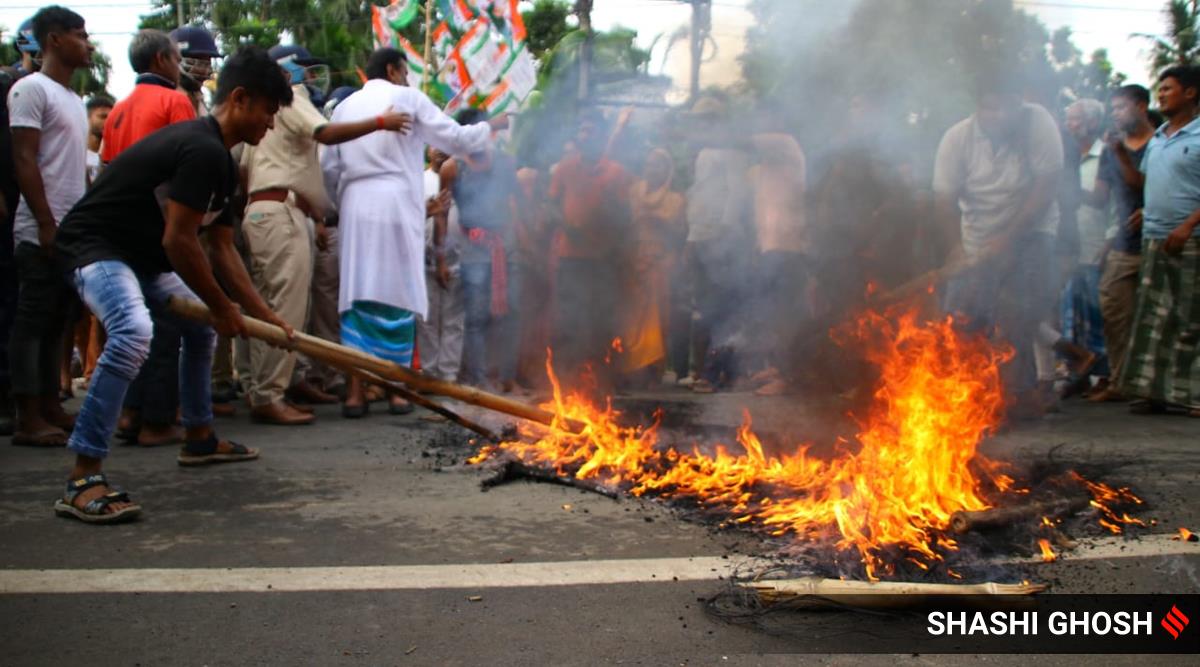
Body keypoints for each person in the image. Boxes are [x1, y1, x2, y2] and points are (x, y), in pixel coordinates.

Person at [51, 46, 295, 524]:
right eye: (268, 111)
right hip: (96, 248)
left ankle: (200, 437)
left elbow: (222, 249)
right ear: (241, 99)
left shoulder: (222, 165)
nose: (270, 124)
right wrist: (224, 307)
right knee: (133, 331)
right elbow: (181, 241)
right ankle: (82, 477)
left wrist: (263, 315)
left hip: (142, 257)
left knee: (202, 329)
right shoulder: (200, 149)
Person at [323, 47, 502, 417]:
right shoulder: (406, 97)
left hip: (355, 204)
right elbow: (457, 139)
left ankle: (356, 393)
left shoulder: (344, 108)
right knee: (398, 292)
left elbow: (328, 167)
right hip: (395, 202)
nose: (407, 79)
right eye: (405, 72)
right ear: (392, 69)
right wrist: (492, 126)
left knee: (357, 293)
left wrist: (343, 204)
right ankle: (396, 391)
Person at [239, 44, 412, 425]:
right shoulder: (289, 96)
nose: (311, 77)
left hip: (263, 209)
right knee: (283, 308)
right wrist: (380, 123)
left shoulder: (264, 110)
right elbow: (326, 133)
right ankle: (269, 396)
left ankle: (261, 387)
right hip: (281, 210)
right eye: (304, 69)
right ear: (286, 71)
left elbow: (243, 166)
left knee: (262, 305)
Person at [933, 69, 1064, 417]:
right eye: (991, 108)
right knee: (960, 317)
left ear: (1018, 103)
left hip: (1032, 232)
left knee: (1015, 314)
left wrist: (1007, 240)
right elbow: (944, 200)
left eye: (1007, 107)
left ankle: (1011, 400)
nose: (1000, 116)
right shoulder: (957, 138)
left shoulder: (1038, 124)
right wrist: (957, 248)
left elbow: (1045, 189)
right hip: (976, 236)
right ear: (978, 107)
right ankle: (961, 400)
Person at [100, 28, 198, 447]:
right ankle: (158, 420)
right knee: (169, 320)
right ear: (161, 60)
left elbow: (105, 170)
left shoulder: (119, 109)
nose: (180, 67)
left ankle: (131, 412)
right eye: (177, 59)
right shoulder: (174, 100)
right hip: (160, 225)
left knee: (138, 321)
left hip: (121, 227)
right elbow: (191, 166)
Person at [7, 5, 93, 447]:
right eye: (80, 35)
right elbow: (24, 158)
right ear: (55, 39)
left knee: (60, 318)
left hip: (69, 229)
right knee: (33, 319)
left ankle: (49, 406)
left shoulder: (74, 100)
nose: (88, 43)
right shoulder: (30, 89)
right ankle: (26, 417)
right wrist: (44, 221)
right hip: (41, 227)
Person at [1120, 65, 1200, 418]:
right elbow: (1144, 184)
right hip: (1154, 237)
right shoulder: (1159, 137)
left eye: (1169, 88)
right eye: (1161, 89)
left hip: (1191, 239)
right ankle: (1153, 392)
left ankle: (1193, 394)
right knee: (1153, 317)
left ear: (1191, 93)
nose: (1162, 93)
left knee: (1190, 317)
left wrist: (1186, 227)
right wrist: (1144, 210)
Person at [547, 110, 634, 395]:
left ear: (601, 136)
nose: (584, 136)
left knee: (600, 322)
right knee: (570, 320)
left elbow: (625, 216)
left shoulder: (617, 172)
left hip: (603, 261)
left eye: (591, 130)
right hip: (570, 258)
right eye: (582, 130)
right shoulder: (565, 167)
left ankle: (600, 383)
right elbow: (550, 205)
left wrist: (605, 213)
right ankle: (567, 384)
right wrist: (565, 225)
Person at [443, 108, 522, 392]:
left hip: (506, 248)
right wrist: (441, 256)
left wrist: (521, 240)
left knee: (510, 313)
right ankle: (478, 379)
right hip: (473, 251)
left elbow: (516, 204)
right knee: (476, 318)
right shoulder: (453, 168)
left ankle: (507, 376)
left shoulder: (505, 163)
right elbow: (441, 212)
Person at [1089, 85, 1155, 403]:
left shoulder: (1161, 143)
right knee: (1114, 311)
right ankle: (1120, 380)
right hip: (1123, 243)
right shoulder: (1109, 150)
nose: (1116, 114)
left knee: (1158, 319)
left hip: (1161, 241)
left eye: (1121, 107)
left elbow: (1142, 184)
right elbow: (1101, 198)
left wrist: (1151, 209)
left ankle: (1156, 388)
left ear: (1141, 106)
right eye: (1113, 109)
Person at [683, 97, 752, 393]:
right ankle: (723, 373)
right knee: (709, 310)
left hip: (720, 241)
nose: (701, 126)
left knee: (722, 309)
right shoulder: (704, 154)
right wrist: (692, 240)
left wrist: (723, 232)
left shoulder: (730, 154)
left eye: (706, 120)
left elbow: (736, 195)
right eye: (699, 120)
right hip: (702, 239)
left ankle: (714, 375)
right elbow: (699, 202)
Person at [746, 130, 808, 396]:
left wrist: (699, 131)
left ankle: (789, 376)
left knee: (786, 318)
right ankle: (777, 368)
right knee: (770, 317)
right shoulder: (761, 170)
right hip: (769, 251)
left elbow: (741, 139)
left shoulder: (787, 144)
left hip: (790, 251)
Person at [621, 147, 685, 385]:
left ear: (667, 170)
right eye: (648, 164)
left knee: (657, 317)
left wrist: (660, 224)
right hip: (633, 260)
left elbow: (679, 235)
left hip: (659, 262)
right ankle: (629, 367)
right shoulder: (633, 193)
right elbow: (624, 228)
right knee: (630, 317)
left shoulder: (676, 200)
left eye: (657, 164)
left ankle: (651, 369)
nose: (652, 169)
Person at [417, 148, 464, 383]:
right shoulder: (419, 179)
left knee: (453, 320)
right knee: (427, 318)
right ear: (428, 150)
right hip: (424, 259)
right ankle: (429, 372)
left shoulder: (459, 177)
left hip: (457, 259)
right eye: (436, 145)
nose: (442, 151)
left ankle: (448, 375)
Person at [169, 25, 219, 115]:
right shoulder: (168, 100)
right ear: (177, 60)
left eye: (209, 63)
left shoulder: (198, 98)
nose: (208, 71)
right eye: (201, 63)